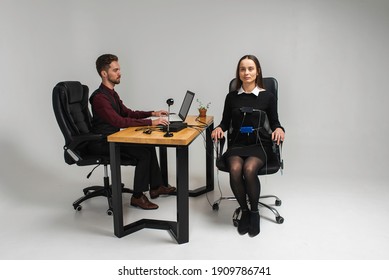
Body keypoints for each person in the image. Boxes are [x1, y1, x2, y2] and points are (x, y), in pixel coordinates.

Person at [89, 54, 175, 210]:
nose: (119, 73)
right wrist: (150, 123)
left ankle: (156, 187)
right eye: (115, 70)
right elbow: (118, 121)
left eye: (119, 69)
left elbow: (127, 113)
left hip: (113, 138)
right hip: (102, 142)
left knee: (148, 146)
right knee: (143, 154)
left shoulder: (111, 94)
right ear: (104, 73)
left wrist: (153, 113)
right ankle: (137, 197)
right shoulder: (100, 98)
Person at [211, 55, 285, 237]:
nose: (246, 73)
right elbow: (225, 122)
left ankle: (254, 213)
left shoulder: (267, 96)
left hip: (260, 144)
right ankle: (244, 210)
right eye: (242, 69)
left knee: (249, 168)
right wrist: (219, 129)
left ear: (257, 71)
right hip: (237, 145)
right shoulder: (231, 97)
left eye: (250, 69)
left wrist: (280, 130)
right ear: (239, 72)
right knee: (236, 167)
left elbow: (275, 122)